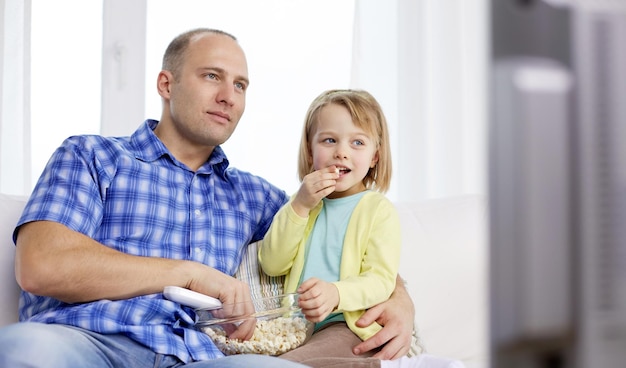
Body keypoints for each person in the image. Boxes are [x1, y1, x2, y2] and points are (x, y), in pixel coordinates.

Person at [0, 28, 416, 368]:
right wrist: (189, 273)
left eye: (240, 85)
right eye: (212, 76)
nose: (229, 97)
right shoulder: (92, 156)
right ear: (167, 84)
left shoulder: (254, 196)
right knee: (25, 350)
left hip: (203, 357)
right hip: (90, 341)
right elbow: (41, 265)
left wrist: (400, 300)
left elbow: (338, 233)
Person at [258, 89, 436, 368]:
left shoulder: (377, 209)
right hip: (299, 331)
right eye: (329, 140)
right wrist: (301, 206)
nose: (341, 152)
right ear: (310, 149)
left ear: (375, 156)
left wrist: (336, 293)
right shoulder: (302, 203)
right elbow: (272, 262)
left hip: (347, 326)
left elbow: (380, 280)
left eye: (357, 143)